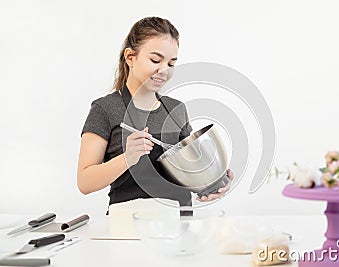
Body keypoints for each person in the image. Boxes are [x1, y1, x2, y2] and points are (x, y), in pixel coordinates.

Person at [77, 17, 233, 211]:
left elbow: (190, 171)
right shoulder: (105, 109)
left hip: (179, 224)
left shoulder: (176, 109)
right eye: (155, 60)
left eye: (171, 63)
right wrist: (128, 158)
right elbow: (85, 182)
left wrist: (212, 183)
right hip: (128, 228)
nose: (164, 70)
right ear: (130, 57)